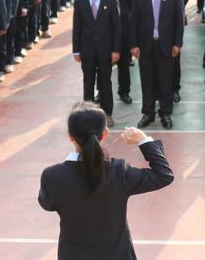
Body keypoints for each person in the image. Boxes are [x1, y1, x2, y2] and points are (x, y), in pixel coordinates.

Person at [38, 102, 174, 260]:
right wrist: (143, 140)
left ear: (70, 136)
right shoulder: (119, 171)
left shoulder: (52, 176)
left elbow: (46, 203)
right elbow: (163, 175)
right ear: (105, 134)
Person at [130, 0, 184, 130]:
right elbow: (134, 20)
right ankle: (148, 113)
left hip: (166, 44)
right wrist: (134, 44)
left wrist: (177, 43)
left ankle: (165, 113)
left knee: (165, 80)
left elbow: (178, 19)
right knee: (147, 80)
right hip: (145, 45)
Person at [72, 0, 121, 128]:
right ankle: (88, 114)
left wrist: (116, 49)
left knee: (105, 81)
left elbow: (116, 28)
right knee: (88, 81)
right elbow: (77, 27)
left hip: (106, 50)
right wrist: (76, 50)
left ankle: (107, 113)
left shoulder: (111, 0)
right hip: (86, 50)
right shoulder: (80, 0)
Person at [102, 0, 137, 104]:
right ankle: (101, 91)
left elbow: (133, 3)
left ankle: (124, 91)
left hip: (122, 28)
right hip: (102, 29)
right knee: (101, 63)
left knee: (123, 62)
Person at [157, 0, 190, 103]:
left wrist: (171, 11)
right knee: (155, 56)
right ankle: (157, 90)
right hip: (154, 21)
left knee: (174, 56)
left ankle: (174, 89)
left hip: (174, 21)